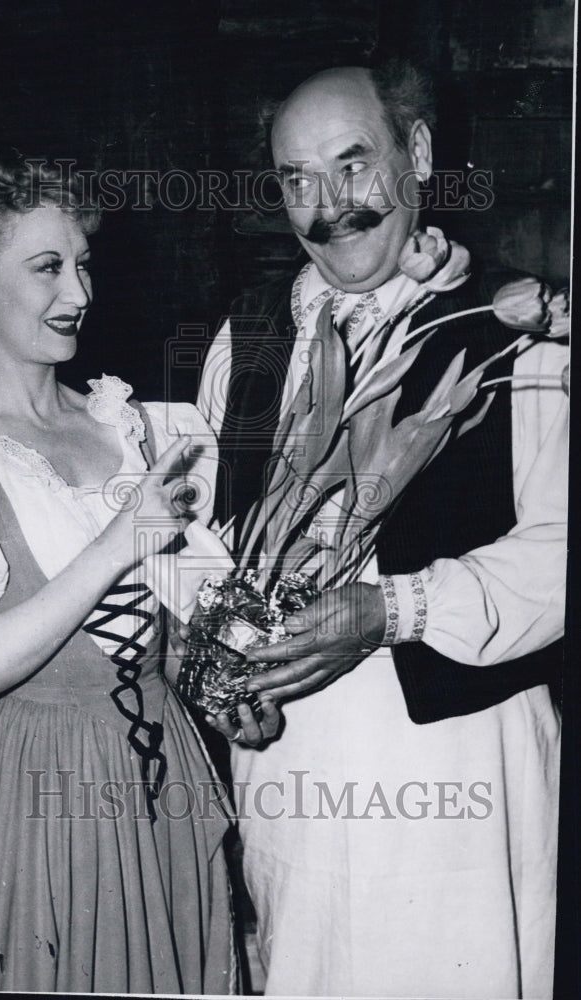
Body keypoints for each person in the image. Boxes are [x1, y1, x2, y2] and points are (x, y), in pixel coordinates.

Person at [197, 62, 568, 998]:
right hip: (291, 774)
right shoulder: (244, 340)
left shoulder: (521, 333)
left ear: (421, 156)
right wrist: (225, 678)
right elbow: (201, 549)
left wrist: (392, 609)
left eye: (353, 166)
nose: (328, 207)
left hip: (456, 773)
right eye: (295, 180)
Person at [0, 149, 246, 992]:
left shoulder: (133, 424)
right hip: (22, 795)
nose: (81, 294)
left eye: (84, 264)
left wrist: (224, 686)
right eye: (48, 268)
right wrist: (119, 536)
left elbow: (163, 628)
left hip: (157, 778)